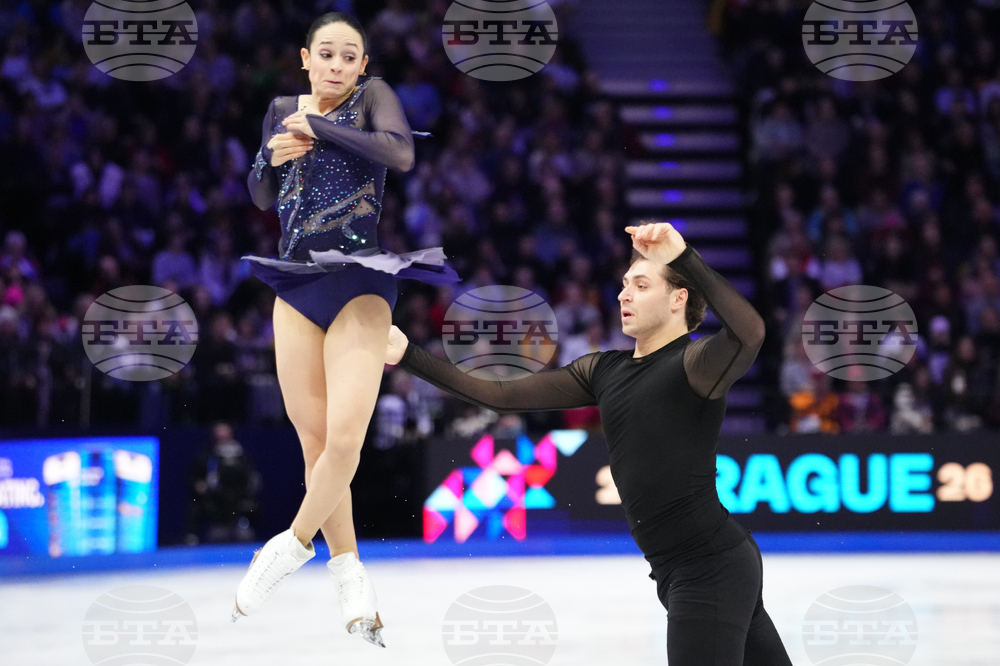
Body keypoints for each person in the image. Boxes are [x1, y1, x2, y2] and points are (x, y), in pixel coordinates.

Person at [386, 222, 793, 665]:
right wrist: (408, 353)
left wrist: (683, 256)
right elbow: (496, 394)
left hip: (708, 567)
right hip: (691, 568)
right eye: (624, 285)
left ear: (679, 299)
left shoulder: (694, 364)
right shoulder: (603, 371)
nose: (623, 295)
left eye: (641, 285)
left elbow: (749, 333)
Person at [232, 12, 458, 648]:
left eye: (348, 56)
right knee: (313, 442)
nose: (336, 64)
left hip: (361, 279)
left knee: (345, 436)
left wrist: (322, 127)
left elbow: (402, 154)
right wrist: (268, 156)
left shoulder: (372, 97)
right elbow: (258, 195)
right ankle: (350, 573)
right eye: (325, 54)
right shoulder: (281, 106)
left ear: (362, 65)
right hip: (296, 282)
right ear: (305, 58)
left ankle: (290, 545)